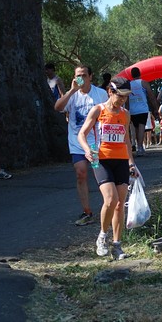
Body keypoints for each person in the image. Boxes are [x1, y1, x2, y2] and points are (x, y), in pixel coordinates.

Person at [78, 77, 137, 260]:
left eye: (126, 97)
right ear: (110, 92)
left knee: (120, 204)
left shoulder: (125, 114)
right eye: (120, 96)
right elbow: (82, 134)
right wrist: (88, 150)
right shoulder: (98, 110)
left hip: (120, 160)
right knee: (110, 199)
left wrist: (131, 162)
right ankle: (102, 236)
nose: (122, 100)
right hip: (99, 159)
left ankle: (117, 245)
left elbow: (126, 139)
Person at [55, 65, 109, 226]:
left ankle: (109, 206)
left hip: (96, 142)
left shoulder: (100, 94)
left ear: (90, 77)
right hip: (78, 141)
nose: (81, 78)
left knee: (101, 175)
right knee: (81, 173)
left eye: (84, 75)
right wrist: (71, 91)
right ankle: (87, 212)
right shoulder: (72, 95)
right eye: (78, 75)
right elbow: (57, 107)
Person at [128, 67, 158, 157]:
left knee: (136, 128)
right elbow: (151, 96)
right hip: (142, 109)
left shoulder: (129, 84)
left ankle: (138, 146)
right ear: (140, 73)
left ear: (131, 75)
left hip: (132, 110)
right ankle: (140, 147)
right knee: (141, 127)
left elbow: (126, 99)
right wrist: (155, 107)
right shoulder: (143, 83)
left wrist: (126, 109)